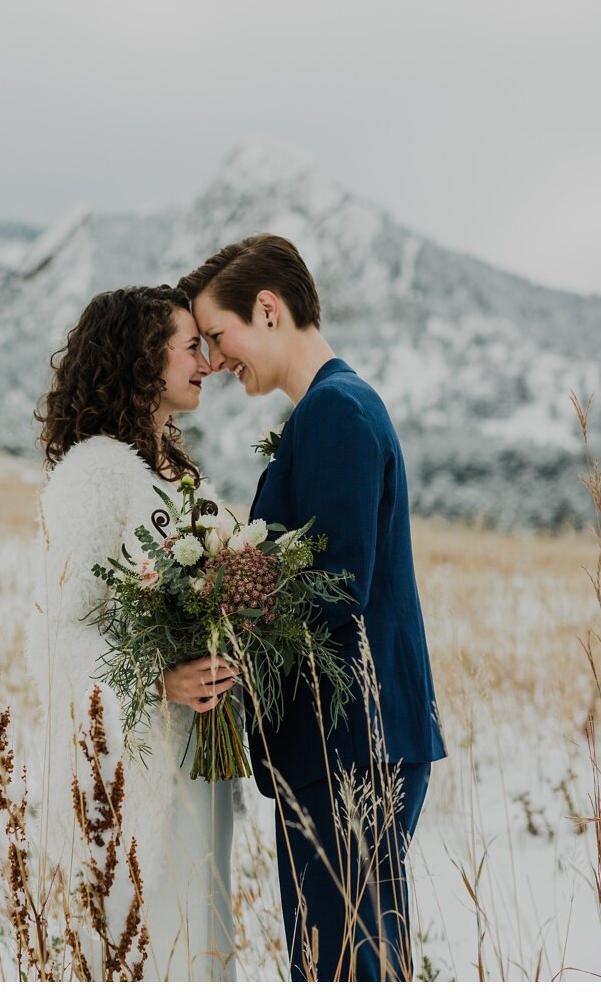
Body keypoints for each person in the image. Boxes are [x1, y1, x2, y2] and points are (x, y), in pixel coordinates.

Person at [179, 234, 447, 981]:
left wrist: (224, 603)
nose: (216, 359)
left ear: (267, 310)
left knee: (344, 968)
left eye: (217, 335)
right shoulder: (332, 407)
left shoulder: (335, 411)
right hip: (348, 740)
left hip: (350, 742)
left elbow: (336, 582)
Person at [24, 284, 238, 980]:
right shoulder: (94, 476)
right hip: (140, 763)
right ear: (142, 357)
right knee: (154, 943)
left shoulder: (175, 474)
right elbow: (54, 634)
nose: (205, 360)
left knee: (201, 939)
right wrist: (157, 679)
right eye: (189, 345)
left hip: (198, 757)